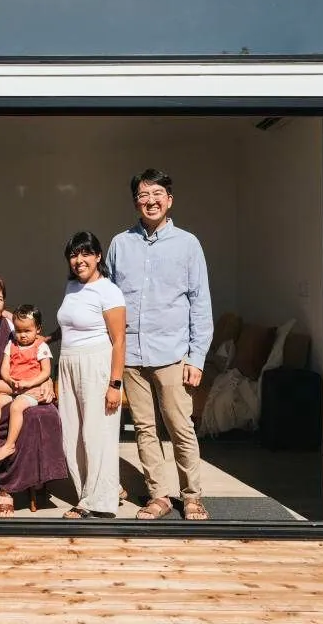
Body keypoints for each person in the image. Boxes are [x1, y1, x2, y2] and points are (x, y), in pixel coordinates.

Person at [106, 168, 214, 521]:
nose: (149, 201)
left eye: (156, 194)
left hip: (172, 354)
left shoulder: (188, 244)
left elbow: (200, 304)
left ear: (169, 199)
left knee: (181, 427)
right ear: (135, 202)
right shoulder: (120, 244)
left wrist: (196, 358)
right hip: (132, 356)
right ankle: (158, 495)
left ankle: (193, 495)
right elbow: (105, 297)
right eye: (142, 195)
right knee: (143, 429)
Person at [0, 276, 68, 518]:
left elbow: (36, 348)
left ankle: (37, 474)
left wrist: (45, 380)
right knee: (21, 413)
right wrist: (24, 389)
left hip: (21, 389)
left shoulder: (10, 324)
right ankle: (5, 489)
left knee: (45, 411)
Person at [55, 231, 126, 519]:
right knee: (71, 435)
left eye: (86, 253)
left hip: (97, 365)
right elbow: (71, 325)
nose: (79, 260)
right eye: (74, 254)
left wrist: (115, 384)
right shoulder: (72, 287)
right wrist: (43, 339)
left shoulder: (109, 291)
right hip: (68, 364)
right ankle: (95, 489)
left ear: (98, 256)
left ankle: (96, 502)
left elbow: (119, 340)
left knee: (96, 435)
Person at [0, 304, 54, 462]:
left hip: (31, 391)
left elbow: (45, 371)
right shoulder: (12, 344)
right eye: (18, 330)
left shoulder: (41, 346)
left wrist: (30, 383)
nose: (22, 335)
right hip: (13, 388)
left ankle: (9, 445)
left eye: (27, 331)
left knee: (17, 407)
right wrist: (8, 379)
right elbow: (5, 368)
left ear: (38, 329)